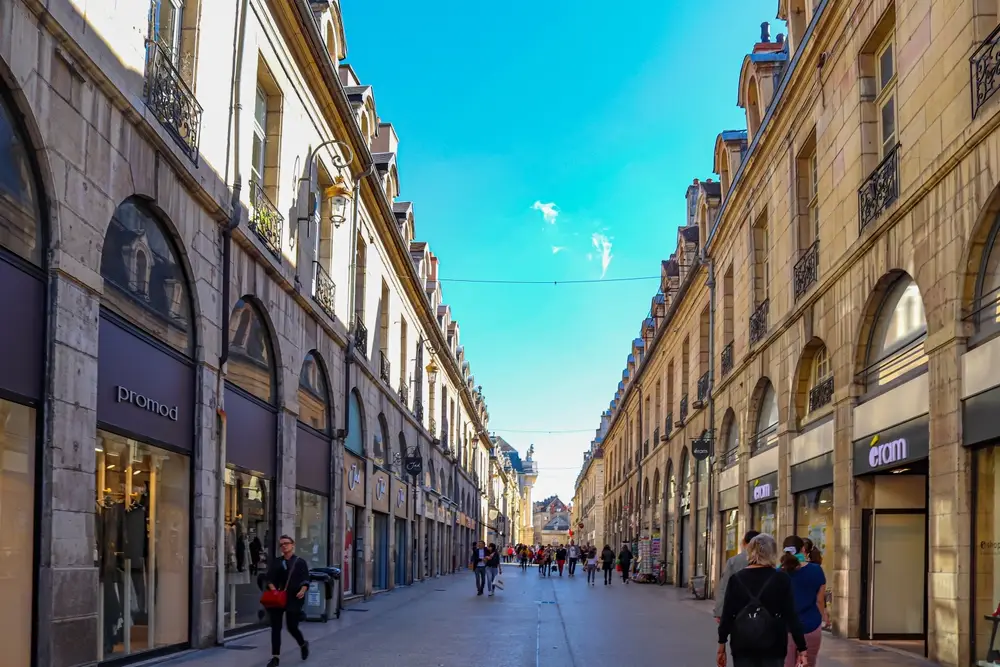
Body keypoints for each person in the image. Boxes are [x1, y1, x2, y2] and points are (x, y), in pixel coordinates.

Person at [717, 534, 808, 667]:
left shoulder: (736, 579)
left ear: (750, 551)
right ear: (772, 553)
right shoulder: (781, 579)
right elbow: (791, 615)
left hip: (743, 645)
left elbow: (727, 615)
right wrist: (802, 648)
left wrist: (721, 645)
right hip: (774, 646)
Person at [780, 536, 828, 667]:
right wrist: (823, 618)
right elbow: (819, 600)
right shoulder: (816, 570)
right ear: (803, 549)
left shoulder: (778, 573)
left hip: (786, 628)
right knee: (807, 663)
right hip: (810, 625)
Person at [264, 535, 310, 667]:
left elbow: (306, 579)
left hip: (294, 597)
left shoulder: (300, 562)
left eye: (286, 543)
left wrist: (303, 590)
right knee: (276, 628)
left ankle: (303, 644)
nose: (284, 546)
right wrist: (274, 591)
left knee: (292, 626)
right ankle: (275, 657)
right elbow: (269, 579)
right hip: (278, 597)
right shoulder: (277, 562)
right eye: (281, 544)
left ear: (293, 545)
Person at [715, 530, 761, 623]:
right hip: (761, 611)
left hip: (738, 609)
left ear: (744, 542)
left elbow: (724, 587)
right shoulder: (767, 561)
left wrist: (720, 612)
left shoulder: (733, 561)